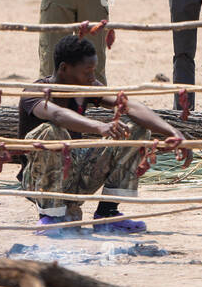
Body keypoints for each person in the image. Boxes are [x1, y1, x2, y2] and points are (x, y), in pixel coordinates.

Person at [20, 35, 192, 233]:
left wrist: (173, 131)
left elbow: (129, 105)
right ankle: (50, 216)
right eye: (88, 72)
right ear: (64, 69)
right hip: (37, 182)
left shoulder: (87, 87)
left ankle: (108, 214)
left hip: (77, 175)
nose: (93, 78)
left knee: (136, 127)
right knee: (50, 131)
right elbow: (57, 114)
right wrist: (98, 127)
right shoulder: (34, 92)